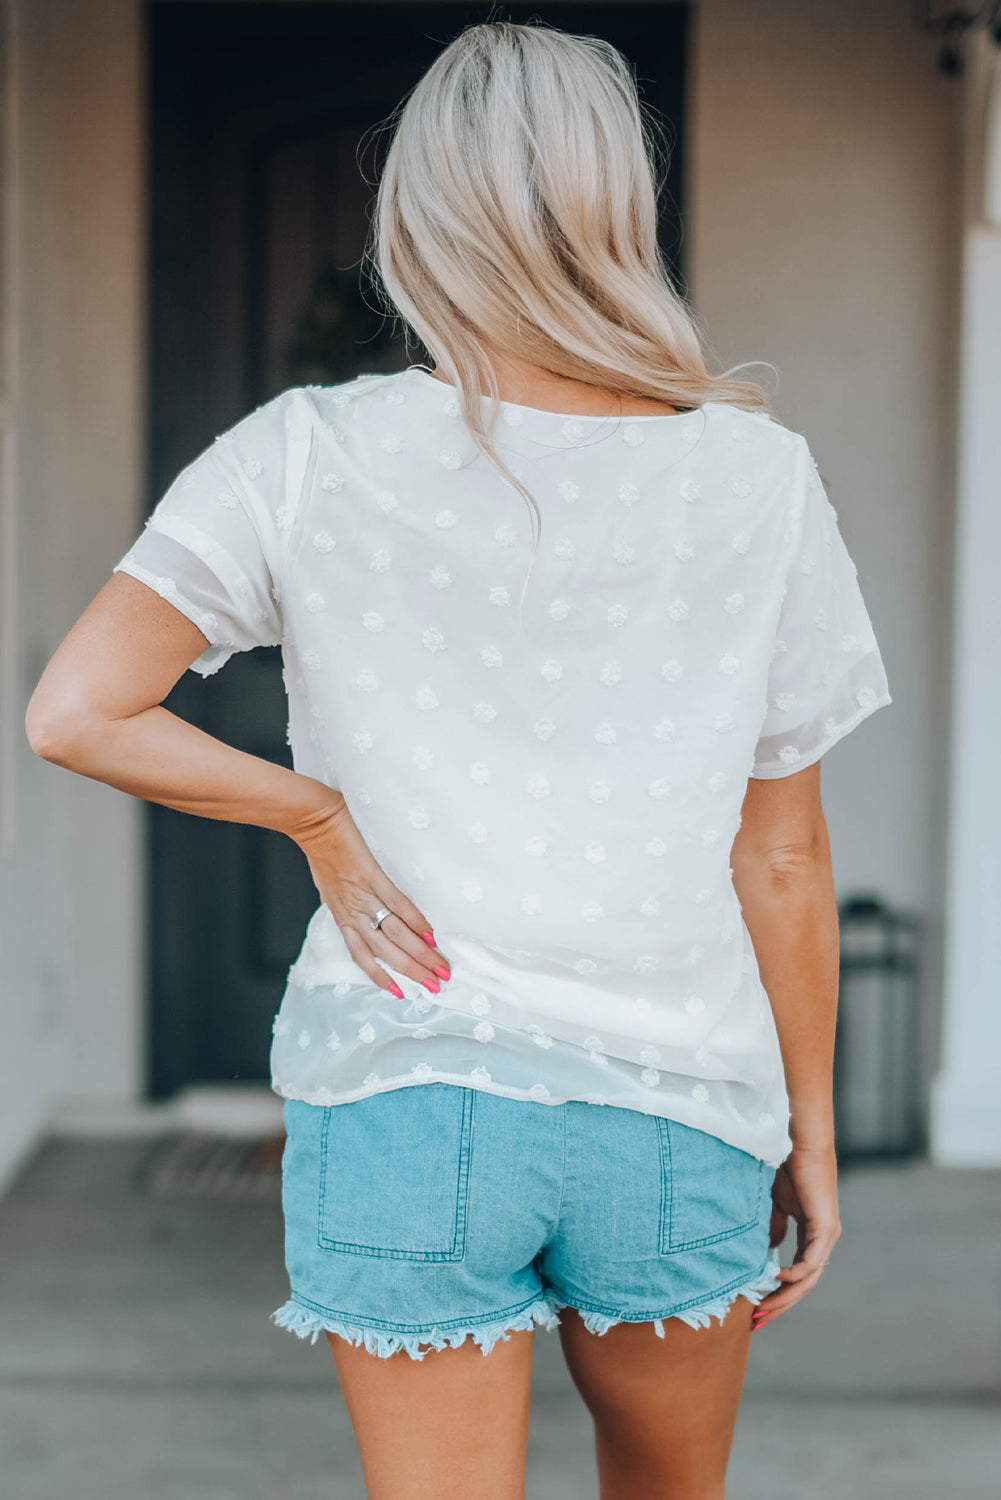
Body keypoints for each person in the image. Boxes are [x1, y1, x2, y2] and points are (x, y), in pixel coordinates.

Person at [24, 19, 892, 1500]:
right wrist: (809, 1135)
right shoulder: (755, 475)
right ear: (620, 202)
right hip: (676, 1106)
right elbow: (785, 855)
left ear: (414, 211)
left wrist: (316, 815)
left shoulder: (305, 448)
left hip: (404, 1087)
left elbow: (76, 710)